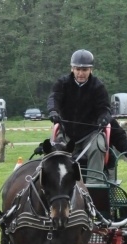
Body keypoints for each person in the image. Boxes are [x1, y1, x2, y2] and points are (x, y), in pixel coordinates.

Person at [46, 49, 112, 178]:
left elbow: (105, 108)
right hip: (66, 133)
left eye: (85, 70)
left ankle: (94, 185)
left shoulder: (98, 87)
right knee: (54, 151)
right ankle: (58, 187)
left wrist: (104, 118)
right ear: (72, 69)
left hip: (91, 134)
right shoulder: (62, 83)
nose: (81, 73)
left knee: (99, 147)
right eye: (77, 69)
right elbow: (54, 98)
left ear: (90, 70)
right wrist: (53, 111)